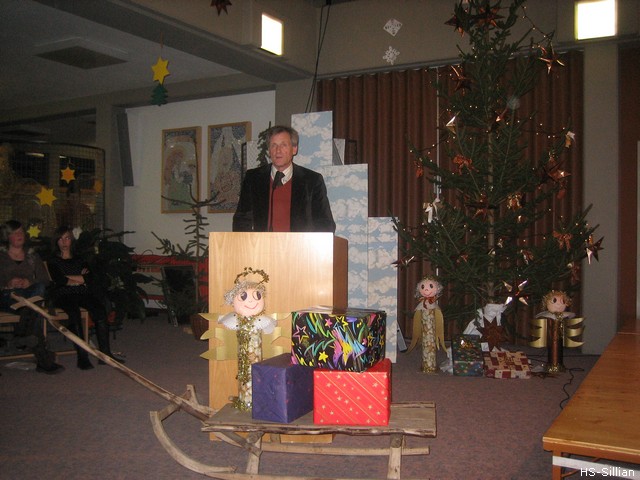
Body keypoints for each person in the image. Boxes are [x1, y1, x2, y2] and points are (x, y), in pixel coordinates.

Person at [232, 125, 336, 232]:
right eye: (274, 145)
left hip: (299, 243)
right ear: (269, 150)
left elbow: (325, 223)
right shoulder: (253, 178)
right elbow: (241, 220)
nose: (278, 150)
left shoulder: (312, 181)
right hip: (262, 243)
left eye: (283, 145)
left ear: (294, 149)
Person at [47, 225, 124, 369]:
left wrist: (72, 278)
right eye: (61, 239)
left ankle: (105, 354)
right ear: (56, 241)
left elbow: (89, 278)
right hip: (62, 294)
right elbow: (60, 280)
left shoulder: (79, 259)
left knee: (100, 311)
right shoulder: (53, 261)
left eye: (67, 238)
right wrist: (79, 278)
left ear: (71, 240)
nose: (64, 242)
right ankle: (82, 356)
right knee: (74, 314)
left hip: (82, 292)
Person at [0, 220, 64, 374]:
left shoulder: (32, 256)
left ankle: (23, 333)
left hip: (28, 297)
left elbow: (45, 280)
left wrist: (29, 282)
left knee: (38, 292)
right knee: (34, 311)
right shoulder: (1, 256)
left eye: (21, 232)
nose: (20, 235)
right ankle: (43, 360)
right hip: (7, 296)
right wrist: (8, 283)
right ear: (7, 236)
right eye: (15, 233)